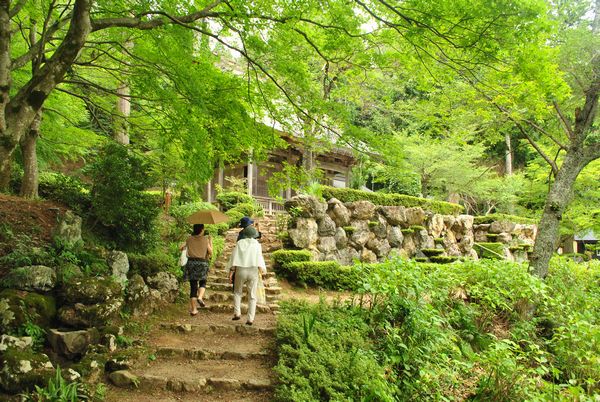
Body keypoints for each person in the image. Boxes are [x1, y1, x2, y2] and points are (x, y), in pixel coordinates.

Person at [227, 225, 266, 325]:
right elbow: (259, 258)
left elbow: (234, 257)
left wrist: (231, 271)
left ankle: (237, 313)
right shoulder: (257, 244)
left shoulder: (240, 243)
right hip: (253, 271)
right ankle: (250, 319)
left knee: (237, 292)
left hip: (240, 270)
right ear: (254, 235)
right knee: (252, 295)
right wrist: (262, 270)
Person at [181, 223, 212, 316]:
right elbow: (210, 253)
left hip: (191, 263)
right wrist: (210, 241)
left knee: (193, 286)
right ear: (202, 230)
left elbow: (181, 248)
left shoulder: (189, 238)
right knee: (203, 282)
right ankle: (200, 297)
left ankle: (194, 310)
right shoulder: (205, 239)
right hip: (202, 263)